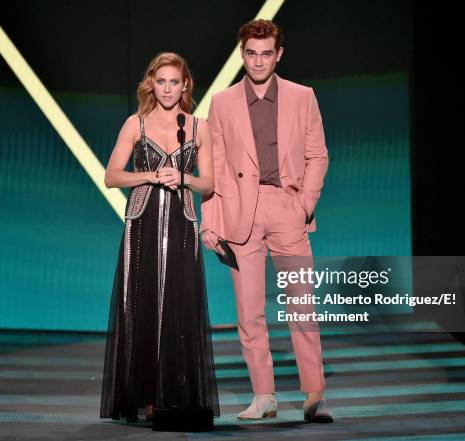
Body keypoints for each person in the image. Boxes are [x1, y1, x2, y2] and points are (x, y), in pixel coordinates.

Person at [200, 20, 332, 423]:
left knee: (301, 305)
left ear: (279, 54)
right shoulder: (222, 103)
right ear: (243, 54)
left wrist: (304, 204)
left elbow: (317, 155)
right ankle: (264, 396)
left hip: (287, 209)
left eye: (266, 53)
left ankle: (314, 395)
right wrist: (210, 220)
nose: (258, 61)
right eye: (251, 53)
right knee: (249, 311)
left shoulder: (302, 96)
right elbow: (214, 165)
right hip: (242, 213)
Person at [100, 52, 219, 422]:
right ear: (152, 83)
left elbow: (209, 184)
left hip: (182, 224)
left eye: (175, 82)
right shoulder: (135, 124)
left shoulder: (199, 127)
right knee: (143, 303)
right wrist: (151, 176)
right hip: (142, 222)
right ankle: (143, 394)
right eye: (161, 81)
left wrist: (183, 178)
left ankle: (174, 393)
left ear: (186, 85)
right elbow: (112, 175)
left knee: (179, 306)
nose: (168, 89)